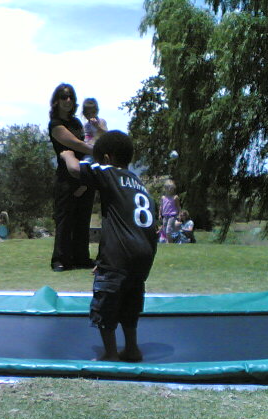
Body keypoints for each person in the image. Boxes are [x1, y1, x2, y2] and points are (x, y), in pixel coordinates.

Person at [61, 130, 158, 362]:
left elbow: (76, 169)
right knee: (130, 300)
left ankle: (111, 353)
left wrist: (67, 154)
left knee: (107, 300)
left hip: (120, 254)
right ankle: (132, 349)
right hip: (143, 255)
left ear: (106, 157)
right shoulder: (138, 183)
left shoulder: (108, 171)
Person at [48, 83, 94, 272]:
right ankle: (60, 259)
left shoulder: (76, 123)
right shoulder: (56, 124)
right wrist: (99, 150)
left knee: (83, 218)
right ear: (57, 101)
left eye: (71, 97)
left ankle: (81, 258)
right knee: (65, 219)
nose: (68, 100)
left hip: (83, 173)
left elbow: (84, 142)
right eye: (64, 97)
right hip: (66, 178)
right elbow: (75, 143)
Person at [159, 179, 180, 243]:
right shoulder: (163, 197)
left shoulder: (175, 197)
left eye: (172, 188)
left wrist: (179, 214)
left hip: (172, 215)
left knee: (168, 230)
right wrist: (160, 214)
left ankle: (170, 244)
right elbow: (161, 206)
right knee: (165, 230)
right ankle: (169, 242)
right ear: (166, 188)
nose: (171, 189)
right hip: (165, 216)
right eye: (169, 188)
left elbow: (178, 206)